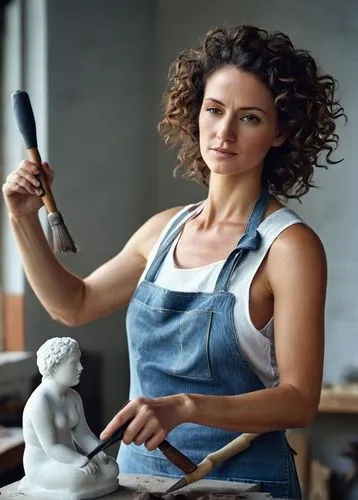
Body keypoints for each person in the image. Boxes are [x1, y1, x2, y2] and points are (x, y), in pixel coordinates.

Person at [3, 25, 346, 498]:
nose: (224, 132)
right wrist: (22, 220)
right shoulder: (163, 230)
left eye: (249, 118)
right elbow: (73, 304)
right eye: (214, 109)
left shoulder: (288, 247)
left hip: (244, 482)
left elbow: (299, 402)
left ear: (281, 132)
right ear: (196, 112)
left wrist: (183, 406)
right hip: (134, 478)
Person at [18, 337, 119, 499]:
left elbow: (83, 433)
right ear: (54, 366)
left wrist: (97, 450)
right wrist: (79, 460)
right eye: (74, 363)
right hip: (44, 464)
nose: (81, 367)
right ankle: (34, 482)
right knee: (79, 478)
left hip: (69, 459)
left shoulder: (73, 397)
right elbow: (51, 447)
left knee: (112, 468)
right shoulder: (40, 403)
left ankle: (83, 478)